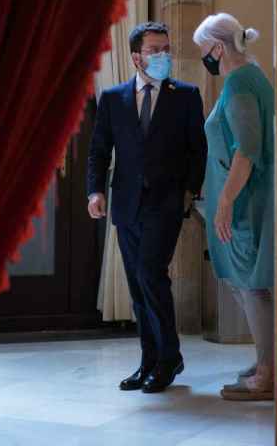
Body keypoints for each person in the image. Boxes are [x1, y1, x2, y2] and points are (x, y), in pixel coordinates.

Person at [87, 21, 207, 393]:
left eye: (166, 49)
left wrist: (189, 192)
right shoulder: (113, 98)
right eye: (155, 50)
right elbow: (99, 151)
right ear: (136, 57)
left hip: (165, 204)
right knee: (139, 286)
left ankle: (168, 359)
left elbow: (197, 150)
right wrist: (95, 192)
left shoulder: (185, 95)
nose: (163, 56)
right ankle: (149, 361)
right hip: (126, 205)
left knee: (151, 275)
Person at [193, 13, 276, 401]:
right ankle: (267, 360)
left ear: (218, 48)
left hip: (245, 199)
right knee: (247, 285)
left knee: (252, 285)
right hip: (243, 195)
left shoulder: (241, 82)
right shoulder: (249, 76)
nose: (204, 59)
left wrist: (225, 201)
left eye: (204, 51)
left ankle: (267, 374)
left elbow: (247, 148)